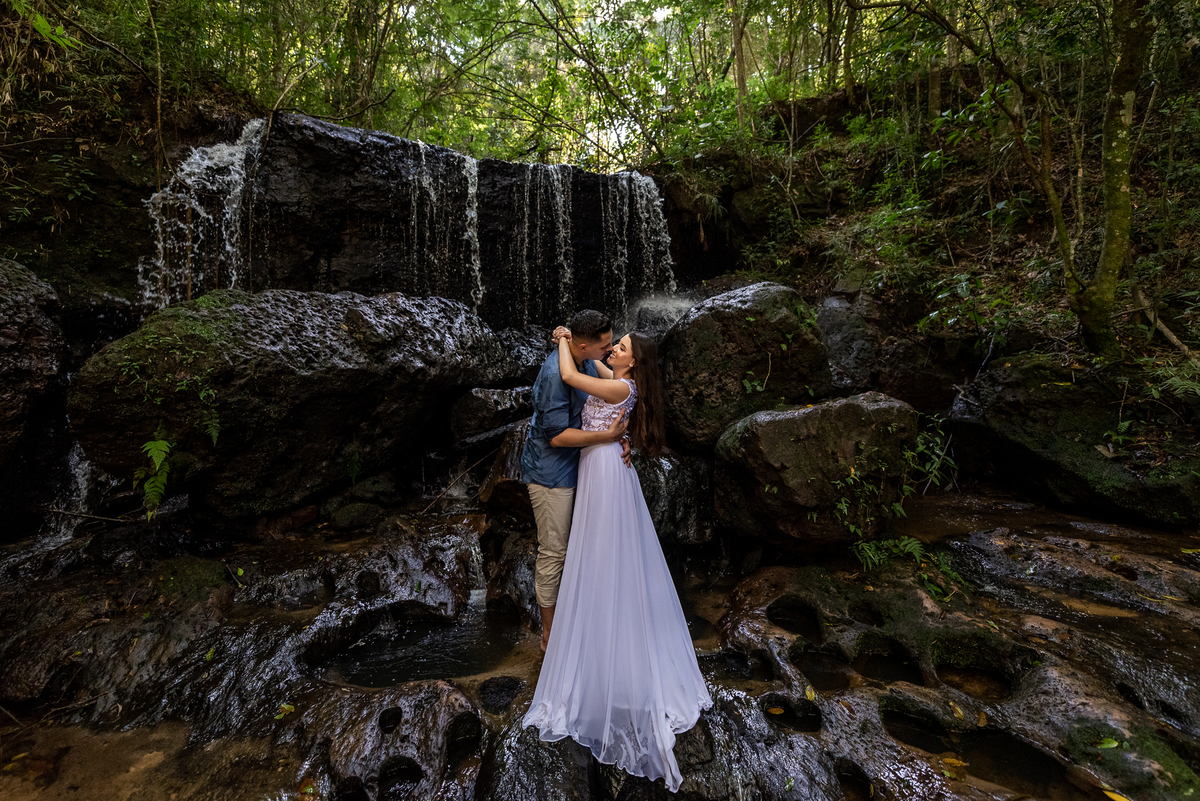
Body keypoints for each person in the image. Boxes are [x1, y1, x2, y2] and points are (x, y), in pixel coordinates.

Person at [523, 328, 712, 793]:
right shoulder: (617, 378)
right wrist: (571, 337)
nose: (613, 350)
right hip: (600, 464)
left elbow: (573, 373)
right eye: (613, 344)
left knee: (602, 552)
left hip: (605, 470)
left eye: (621, 347)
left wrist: (562, 341)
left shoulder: (621, 387)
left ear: (634, 362)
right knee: (595, 551)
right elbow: (590, 362)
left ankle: (605, 650)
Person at [521, 309, 630, 653]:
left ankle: (584, 623)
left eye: (613, 344)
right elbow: (556, 437)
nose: (610, 349)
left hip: (583, 464)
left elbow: (612, 398)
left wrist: (621, 437)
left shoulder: (586, 361)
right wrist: (608, 437)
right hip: (551, 473)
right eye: (606, 345)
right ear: (584, 346)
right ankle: (549, 636)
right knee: (555, 551)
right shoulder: (556, 374)